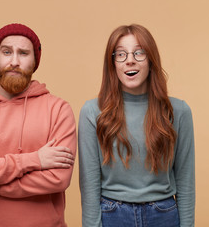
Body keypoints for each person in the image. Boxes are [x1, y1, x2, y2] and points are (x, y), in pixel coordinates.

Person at [0, 23, 76, 227]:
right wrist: (35, 160)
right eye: (7, 52)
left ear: (35, 61)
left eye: (24, 53)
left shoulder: (58, 109)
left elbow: (58, 179)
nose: (14, 61)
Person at [79, 24, 195, 227]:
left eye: (139, 52)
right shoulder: (92, 112)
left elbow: (185, 181)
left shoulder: (179, 112)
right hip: (112, 215)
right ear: (112, 63)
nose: (130, 60)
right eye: (121, 54)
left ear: (151, 61)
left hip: (164, 215)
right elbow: (89, 186)